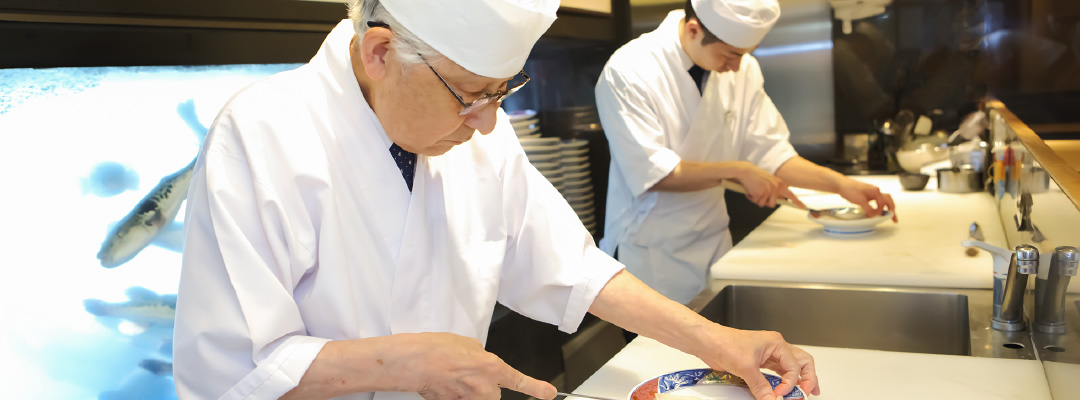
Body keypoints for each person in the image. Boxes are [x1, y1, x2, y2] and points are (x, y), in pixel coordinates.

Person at [173, 0, 821, 399]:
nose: (487, 122)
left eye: (500, 93)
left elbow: (568, 265)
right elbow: (232, 373)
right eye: (469, 94)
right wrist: (410, 363)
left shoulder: (477, 134)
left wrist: (717, 343)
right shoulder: (261, 134)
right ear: (379, 53)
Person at [595, 0, 898, 305]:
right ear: (694, 30)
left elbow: (771, 152)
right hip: (650, 254)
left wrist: (842, 185)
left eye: (746, 54)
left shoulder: (743, 68)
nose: (737, 67)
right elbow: (653, 172)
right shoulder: (628, 71)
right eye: (731, 55)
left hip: (714, 244)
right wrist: (739, 170)